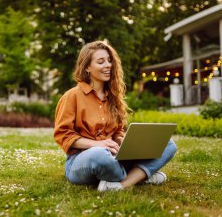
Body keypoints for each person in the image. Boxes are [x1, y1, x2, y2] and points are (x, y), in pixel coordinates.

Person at [53, 41, 177, 191]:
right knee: (100, 154)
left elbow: (118, 131)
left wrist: (124, 143)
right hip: (83, 160)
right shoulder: (72, 96)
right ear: (87, 67)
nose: (108, 65)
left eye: (109, 61)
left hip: (115, 157)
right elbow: (63, 135)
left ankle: (123, 184)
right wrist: (97, 144)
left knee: (168, 144)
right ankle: (142, 176)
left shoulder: (113, 97)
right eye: (101, 61)